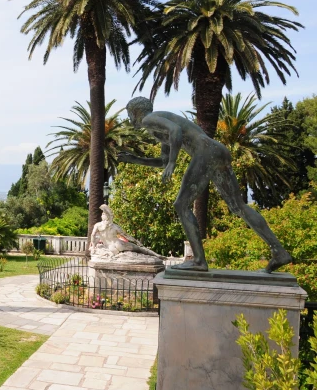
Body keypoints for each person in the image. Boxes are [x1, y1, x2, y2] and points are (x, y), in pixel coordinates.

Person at [119, 97, 291, 272]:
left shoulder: (149, 119)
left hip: (206, 152)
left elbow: (175, 130)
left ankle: (199, 261)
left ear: (135, 112)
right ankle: (279, 252)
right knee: (238, 207)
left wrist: (173, 162)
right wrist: (135, 159)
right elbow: (163, 161)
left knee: (181, 205)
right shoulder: (157, 128)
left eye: (129, 114)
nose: (130, 119)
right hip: (217, 152)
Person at [89, 204, 163, 259]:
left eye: (102, 214)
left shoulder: (98, 225)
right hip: (118, 244)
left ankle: (156, 256)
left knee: (137, 250)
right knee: (139, 248)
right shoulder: (115, 226)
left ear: (105, 216)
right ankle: (157, 255)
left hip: (110, 247)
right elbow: (126, 236)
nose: (101, 215)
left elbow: (93, 235)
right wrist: (136, 241)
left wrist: (93, 246)